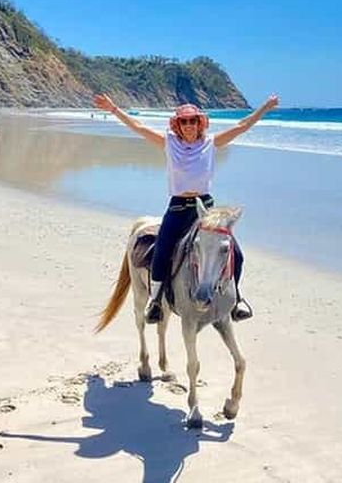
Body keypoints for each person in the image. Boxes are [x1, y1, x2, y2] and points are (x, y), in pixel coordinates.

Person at [92, 93, 280, 323]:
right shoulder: (169, 143)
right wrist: (113, 109)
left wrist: (265, 107)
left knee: (235, 252)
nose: (189, 125)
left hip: (206, 208)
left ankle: (237, 299)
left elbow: (242, 125)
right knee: (161, 250)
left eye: (193, 121)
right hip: (179, 207)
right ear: (177, 125)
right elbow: (138, 127)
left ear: (200, 123)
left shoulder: (211, 143)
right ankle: (156, 301)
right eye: (184, 121)